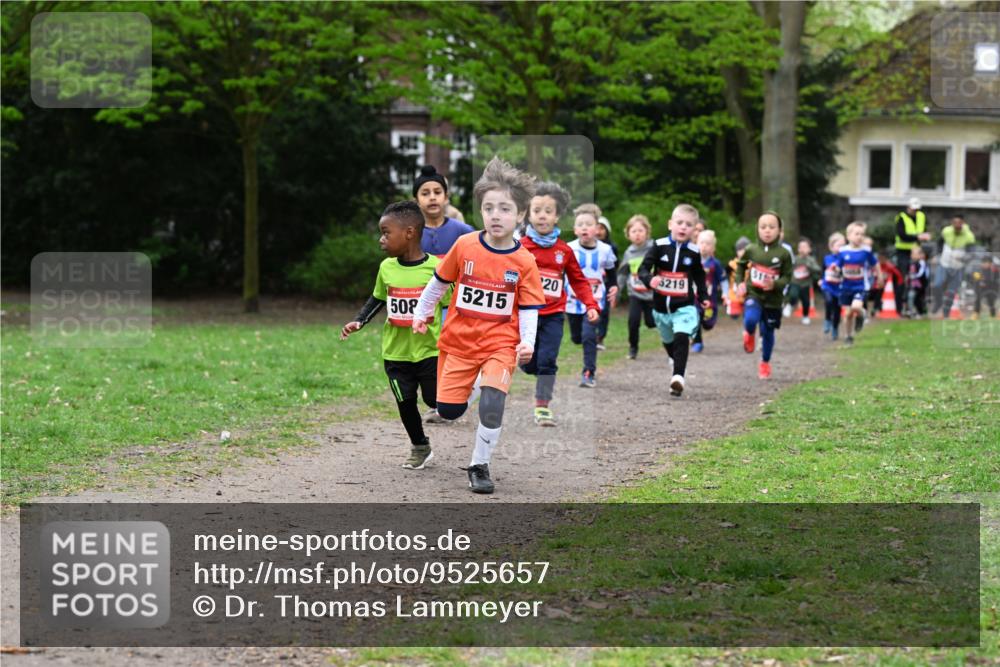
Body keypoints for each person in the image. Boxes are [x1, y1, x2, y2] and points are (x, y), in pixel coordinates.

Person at [412, 156, 544, 494]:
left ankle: (479, 464)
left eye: (504, 209)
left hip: (501, 343)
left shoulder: (524, 261)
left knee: (492, 402)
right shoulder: (466, 245)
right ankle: (468, 389)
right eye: (489, 208)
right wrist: (422, 311)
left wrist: (526, 342)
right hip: (459, 343)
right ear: (480, 212)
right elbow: (439, 282)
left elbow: (528, 308)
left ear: (521, 215)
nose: (496, 215)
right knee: (449, 411)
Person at [340, 201, 442, 470]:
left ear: (409, 233)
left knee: (434, 400)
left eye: (386, 232)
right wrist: (359, 321)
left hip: (430, 350)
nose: (381, 239)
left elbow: (453, 305)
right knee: (405, 402)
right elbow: (378, 298)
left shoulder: (437, 269)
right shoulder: (386, 268)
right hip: (395, 353)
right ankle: (420, 446)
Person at [519, 181, 599, 426]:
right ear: (528, 215)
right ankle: (529, 366)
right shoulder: (520, 247)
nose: (542, 216)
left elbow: (579, 280)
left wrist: (591, 305)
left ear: (557, 217)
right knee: (530, 363)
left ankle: (542, 406)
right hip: (525, 315)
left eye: (548, 211)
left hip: (553, 314)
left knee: (548, 360)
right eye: (537, 210)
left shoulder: (563, 251)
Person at [413, 165, 475, 423]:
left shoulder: (463, 232)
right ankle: (440, 400)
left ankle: (451, 399)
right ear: (416, 200)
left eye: (437, 191)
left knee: (453, 351)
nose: (432, 197)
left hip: (456, 305)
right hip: (425, 307)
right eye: (425, 193)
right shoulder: (411, 233)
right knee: (430, 353)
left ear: (446, 197)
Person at [637, 204, 709, 396]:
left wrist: (703, 296)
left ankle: (678, 377)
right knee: (669, 341)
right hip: (661, 308)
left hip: (684, 306)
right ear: (671, 224)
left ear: (694, 230)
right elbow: (643, 268)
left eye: (688, 224)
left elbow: (700, 276)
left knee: (681, 336)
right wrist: (649, 279)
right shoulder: (659, 246)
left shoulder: (694, 252)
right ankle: (674, 360)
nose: (683, 227)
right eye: (679, 223)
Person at [735, 212, 794, 379]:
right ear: (757, 230)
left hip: (774, 300)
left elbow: (788, 276)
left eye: (772, 227)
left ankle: (765, 362)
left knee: (768, 332)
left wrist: (775, 284)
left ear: (779, 230)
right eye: (763, 227)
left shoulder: (784, 253)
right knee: (751, 319)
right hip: (754, 293)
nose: (767, 231)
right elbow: (740, 266)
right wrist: (740, 282)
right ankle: (749, 332)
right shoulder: (751, 249)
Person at [566, 207, 618, 387]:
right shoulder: (569, 249)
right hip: (571, 303)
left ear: (597, 229)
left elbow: (611, 274)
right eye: (580, 225)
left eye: (589, 224)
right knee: (577, 337)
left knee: (589, 336)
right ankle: (581, 342)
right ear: (575, 229)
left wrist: (614, 287)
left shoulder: (605, 250)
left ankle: (588, 372)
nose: (584, 228)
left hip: (594, 303)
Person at [617, 214, 656, 360]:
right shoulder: (629, 253)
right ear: (628, 234)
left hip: (652, 294)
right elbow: (622, 273)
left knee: (651, 322)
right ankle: (633, 348)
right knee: (633, 321)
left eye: (641, 230)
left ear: (647, 232)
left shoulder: (654, 248)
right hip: (635, 293)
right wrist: (617, 291)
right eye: (634, 231)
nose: (637, 234)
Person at [837, 221, 880, 344]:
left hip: (861, 285)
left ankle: (862, 314)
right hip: (846, 286)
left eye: (862, 234)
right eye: (857, 234)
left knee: (856, 306)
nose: (860, 236)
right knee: (848, 314)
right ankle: (848, 336)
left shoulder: (866, 251)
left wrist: (880, 277)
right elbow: (839, 266)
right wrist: (836, 269)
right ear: (848, 236)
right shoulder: (842, 251)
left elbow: (875, 264)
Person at [894, 197, 931, 308]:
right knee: (903, 277)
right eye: (913, 209)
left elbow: (923, 230)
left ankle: (919, 306)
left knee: (920, 278)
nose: (915, 211)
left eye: (917, 209)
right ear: (908, 207)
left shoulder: (921, 216)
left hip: (916, 251)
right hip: (903, 251)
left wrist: (925, 236)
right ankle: (900, 306)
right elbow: (902, 235)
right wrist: (917, 237)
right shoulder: (901, 217)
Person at [937, 215, 976, 318]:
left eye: (959, 222)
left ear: (963, 223)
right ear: (952, 222)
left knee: (951, 291)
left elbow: (972, 253)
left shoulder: (969, 236)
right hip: (944, 264)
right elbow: (939, 244)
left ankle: (945, 314)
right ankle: (938, 303)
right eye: (955, 222)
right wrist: (936, 254)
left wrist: (964, 259)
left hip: (958, 267)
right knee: (938, 284)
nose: (957, 225)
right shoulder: (946, 231)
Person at [692, 229, 723, 353]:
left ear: (713, 248)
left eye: (708, 244)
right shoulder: (692, 261)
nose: (704, 246)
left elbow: (723, 279)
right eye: (701, 243)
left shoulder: (715, 264)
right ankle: (697, 341)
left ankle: (706, 324)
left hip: (710, 300)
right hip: (694, 297)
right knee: (695, 316)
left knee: (708, 324)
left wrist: (725, 293)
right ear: (696, 244)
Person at [594, 214, 619, 351]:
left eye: (602, 228)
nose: (598, 231)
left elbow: (615, 266)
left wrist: (614, 284)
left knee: (604, 312)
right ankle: (588, 335)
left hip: (606, 284)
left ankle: (600, 337)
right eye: (596, 228)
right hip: (590, 284)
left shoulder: (612, 247)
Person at [786, 238, 821, 325]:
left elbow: (818, 269)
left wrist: (809, 266)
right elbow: (788, 268)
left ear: (809, 249)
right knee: (793, 294)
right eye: (800, 247)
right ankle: (789, 306)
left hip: (806, 284)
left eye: (805, 247)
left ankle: (805, 316)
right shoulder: (795, 259)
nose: (803, 249)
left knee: (806, 301)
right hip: (795, 282)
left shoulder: (811, 260)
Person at [820, 232, 845, 339]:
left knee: (837, 310)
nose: (841, 248)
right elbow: (823, 269)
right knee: (828, 301)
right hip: (828, 286)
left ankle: (835, 328)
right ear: (831, 246)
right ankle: (827, 320)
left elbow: (846, 272)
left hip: (839, 288)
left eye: (843, 245)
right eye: (838, 245)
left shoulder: (845, 259)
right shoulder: (827, 258)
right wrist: (821, 280)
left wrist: (839, 270)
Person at [726, 236, 751, 319]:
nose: (743, 252)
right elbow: (725, 276)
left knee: (748, 313)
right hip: (734, 292)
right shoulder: (731, 264)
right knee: (734, 314)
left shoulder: (752, 264)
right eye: (740, 249)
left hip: (748, 292)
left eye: (745, 249)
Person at [972, 254, 999, 319]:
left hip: (991, 288)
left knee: (991, 301)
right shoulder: (978, 270)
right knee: (977, 299)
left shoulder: (994, 271)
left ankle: (992, 315)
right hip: (981, 289)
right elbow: (976, 281)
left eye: (988, 262)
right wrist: (980, 283)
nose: (985, 264)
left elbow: (996, 281)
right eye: (984, 262)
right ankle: (976, 313)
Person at [907, 246, 929, 318]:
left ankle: (921, 312)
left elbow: (921, 273)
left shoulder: (922, 263)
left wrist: (914, 276)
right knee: (911, 297)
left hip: (921, 285)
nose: (912, 255)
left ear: (920, 255)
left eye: (914, 254)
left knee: (919, 298)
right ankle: (912, 311)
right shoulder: (911, 263)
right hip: (913, 284)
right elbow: (910, 272)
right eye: (912, 254)